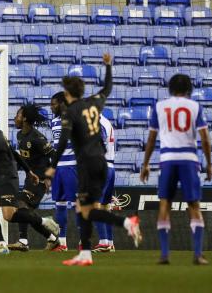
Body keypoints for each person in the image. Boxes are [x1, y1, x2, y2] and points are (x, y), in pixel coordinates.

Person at [46, 53, 141, 266]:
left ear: (68, 94)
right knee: (84, 208)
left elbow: (61, 143)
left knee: (88, 210)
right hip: (101, 162)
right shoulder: (94, 103)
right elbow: (107, 88)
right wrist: (108, 66)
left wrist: (52, 167)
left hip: (87, 164)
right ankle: (86, 253)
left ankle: (127, 223)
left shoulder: (70, 112)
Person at [0, 104, 60, 255]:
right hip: (1, 178)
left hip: (9, 178)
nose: (15, 117)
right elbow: (15, 154)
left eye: (18, 115)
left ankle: (43, 225)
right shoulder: (4, 135)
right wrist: (29, 172)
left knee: (11, 214)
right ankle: (2, 244)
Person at [140, 74, 212, 265]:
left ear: (170, 88)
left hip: (168, 159)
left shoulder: (160, 106)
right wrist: (209, 164)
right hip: (189, 159)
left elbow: (151, 139)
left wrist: (145, 164)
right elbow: (205, 138)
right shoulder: (195, 106)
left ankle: (164, 254)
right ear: (189, 89)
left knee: (165, 204)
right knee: (194, 205)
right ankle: (197, 254)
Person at [8, 104, 60, 252]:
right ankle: (52, 238)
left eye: (17, 115)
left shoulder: (37, 138)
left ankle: (24, 241)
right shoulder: (20, 135)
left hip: (41, 180)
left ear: (24, 118)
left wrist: (49, 177)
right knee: (27, 214)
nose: (15, 118)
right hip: (30, 179)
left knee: (21, 205)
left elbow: (54, 156)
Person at [49, 91, 77, 252]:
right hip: (58, 168)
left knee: (76, 205)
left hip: (72, 166)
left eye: (54, 104)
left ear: (61, 103)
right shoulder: (53, 121)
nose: (51, 107)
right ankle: (62, 243)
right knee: (59, 204)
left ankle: (84, 242)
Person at [93, 114, 117, 253]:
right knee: (105, 207)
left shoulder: (98, 123)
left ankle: (103, 242)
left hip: (101, 167)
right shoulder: (107, 121)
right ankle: (110, 242)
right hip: (111, 167)